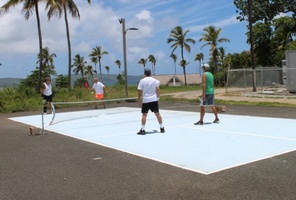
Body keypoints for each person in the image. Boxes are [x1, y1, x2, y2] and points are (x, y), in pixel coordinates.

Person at [137, 68, 165, 135]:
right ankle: (162, 128)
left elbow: (140, 91)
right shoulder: (155, 81)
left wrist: (139, 100)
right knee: (157, 114)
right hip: (154, 99)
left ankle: (143, 129)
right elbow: (158, 89)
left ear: (144, 74)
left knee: (144, 114)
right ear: (150, 73)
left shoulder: (142, 81)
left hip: (146, 100)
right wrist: (158, 97)